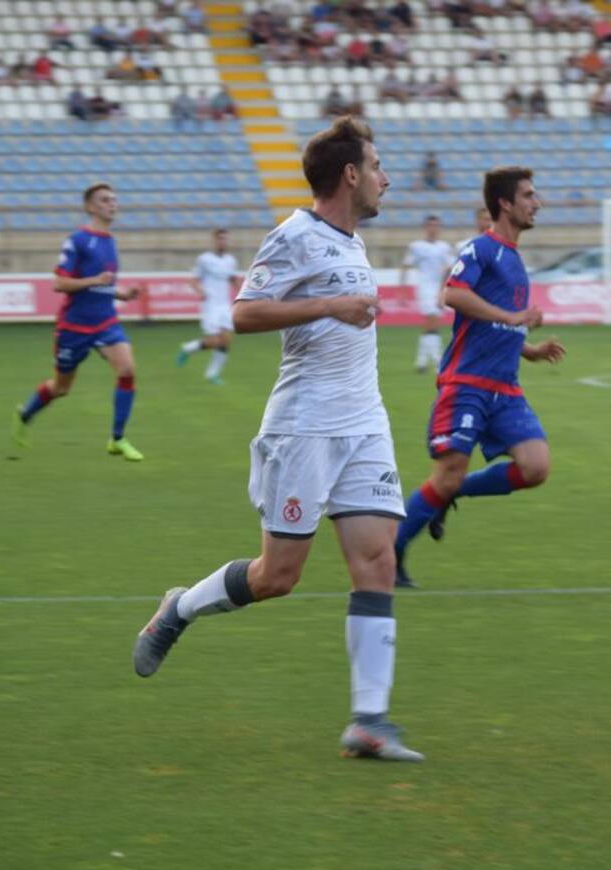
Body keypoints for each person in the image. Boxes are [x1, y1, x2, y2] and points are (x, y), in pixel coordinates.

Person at [132, 116, 424, 763]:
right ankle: (179, 608)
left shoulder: (351, 241)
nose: (385, 178)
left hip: (364, 423)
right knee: (278, 576)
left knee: (376, 562)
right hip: (304, 428)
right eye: (376, 166)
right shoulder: (295, 236)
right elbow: (244, 314)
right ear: (350, 175)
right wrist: (325, 307)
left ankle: (369, 722)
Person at [393, 167, 565, 588]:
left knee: (535, 467)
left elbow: (496, 328)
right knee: (446, 474)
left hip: (505, 389)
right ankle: (391, 555)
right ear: (505, 203)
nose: (536, 202)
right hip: (466, 385)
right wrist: (512, 316)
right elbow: (451, 294)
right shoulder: (482, 249)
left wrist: (529, 350)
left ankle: (452, 495)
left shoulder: (515, 261)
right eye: (528, 195)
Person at [12, 183, 144, 461]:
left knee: (127, 370)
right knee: (61, 388)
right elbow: (59, 283)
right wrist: (95, 280)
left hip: (106, 321)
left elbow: (102, 287)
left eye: (115, 200)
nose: (113, 204)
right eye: (106, 200)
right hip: (74, 326)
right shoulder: (78, 240)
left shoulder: (110, 241)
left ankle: (117, 439)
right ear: (91, 207)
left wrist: (121, 293)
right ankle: (25, 414)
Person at [177, 228, 240, 384]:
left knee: (226, 340)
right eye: (220, 239)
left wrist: (243, 293)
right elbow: (193, 280)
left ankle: (212, 374)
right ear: (214, 241)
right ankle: (188, 348)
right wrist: (200, 292)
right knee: (214, 340)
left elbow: (233, 279)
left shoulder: (230, 260)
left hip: (224, 305)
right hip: (210, 305)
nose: (222, 242)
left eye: (225, 239)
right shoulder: (204, 259)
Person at [401, 215, 456, 373]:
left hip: (439, 289)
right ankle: (438, 361)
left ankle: (422, 362)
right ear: (426, 228)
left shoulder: (444, 247)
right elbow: (405, 266)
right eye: (431, 225)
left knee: (431, 324)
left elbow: (450, 267)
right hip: (425, 288)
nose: (434, 229)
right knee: (432, 319)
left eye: (436, 226)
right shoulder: (416, 246)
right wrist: (402, 290)